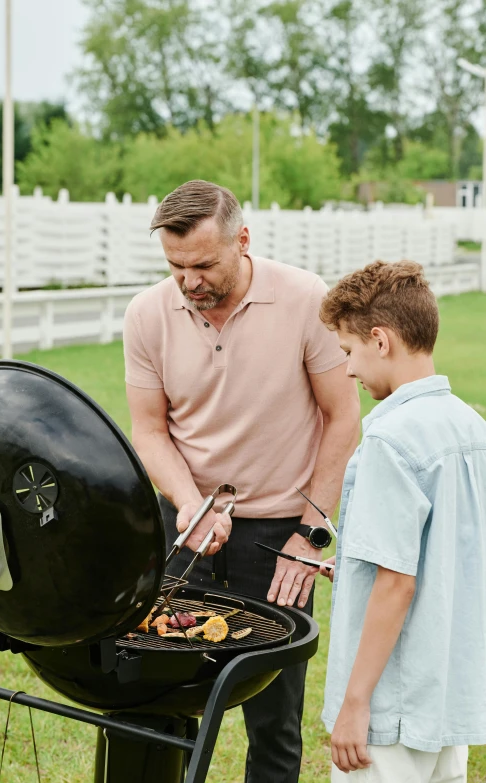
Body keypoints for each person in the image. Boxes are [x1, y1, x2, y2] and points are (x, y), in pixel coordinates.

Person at [123, 179, 360, 783]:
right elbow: (149, 431)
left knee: (275, 724)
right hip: (186, 527)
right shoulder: (147, 314)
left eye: (203, 264)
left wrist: (311, 537)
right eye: (176, 266)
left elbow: (342, 418)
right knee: (160, 706)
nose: (189, 281)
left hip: (281, 535)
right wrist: (190, 503)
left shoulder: (306, 298)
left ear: (243, 241)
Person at [318, 260, 486, 783]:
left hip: (391, 709)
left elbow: (396, 584)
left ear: (381, 339)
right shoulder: (471, 426)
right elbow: (450, 555)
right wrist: (350, 567)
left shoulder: (390, 440)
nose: (347, 370)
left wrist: (355, 704)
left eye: (348, 352)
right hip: (446, 702)